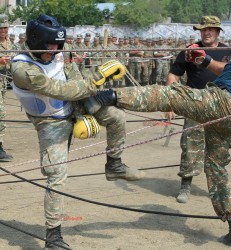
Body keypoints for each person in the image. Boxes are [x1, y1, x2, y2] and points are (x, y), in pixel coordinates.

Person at [90, 17, 231, 249]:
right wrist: (205, 60)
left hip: (222, 102)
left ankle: (107, 97)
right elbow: (225, 69)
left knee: (171, 94)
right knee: (216, 169)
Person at [10, 14, 145, 249]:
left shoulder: (58, 52)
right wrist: (98, 78)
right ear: (34, 40)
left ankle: (114, 164)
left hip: (74, 102)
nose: (54, 50)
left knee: (116, 117)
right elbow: (59, 89)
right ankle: (53, 238)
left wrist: (90, 99)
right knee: (56, 176)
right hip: (50, 121)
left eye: (57, 45)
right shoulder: (23, 68)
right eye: (49, 45)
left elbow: (72, 76)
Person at [165, 16, 231, 204]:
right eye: (203, 29)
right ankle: (186, 185)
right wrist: (171, 102)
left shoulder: (228, 51)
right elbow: (174, 74)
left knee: (219, 148)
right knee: (190, 145)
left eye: (210, 29)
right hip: (195, 104)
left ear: (218, 31)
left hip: (220, 106)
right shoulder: (190, 51)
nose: (206, 32)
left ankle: (217, 188)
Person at [0, 14, 14, 162]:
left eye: (5, 28)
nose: (3, 31)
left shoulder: (10, 44)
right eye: (1, 28)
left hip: (4, 84)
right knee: (1, 114)